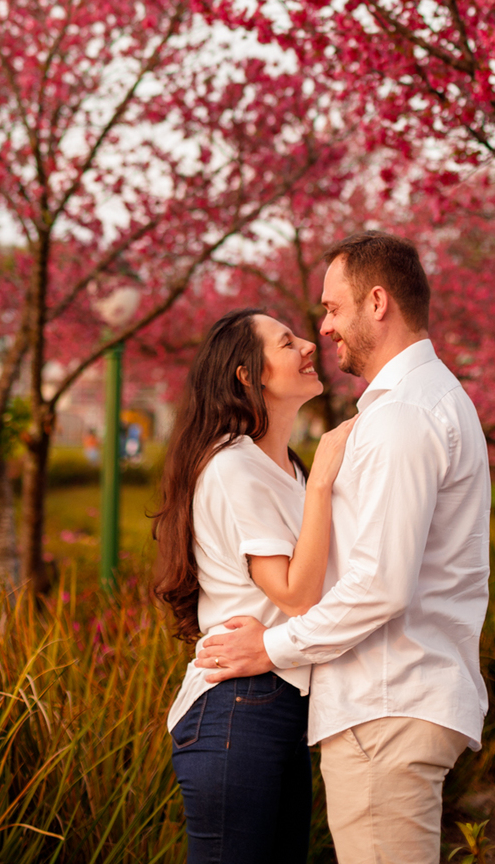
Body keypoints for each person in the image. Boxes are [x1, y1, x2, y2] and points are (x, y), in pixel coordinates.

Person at [202, 232, 491, 864]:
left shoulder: (401, 415)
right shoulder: (424, 400)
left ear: (378, 302)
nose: (323, 329)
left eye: (333, 309)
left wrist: (270, 645)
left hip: (383, 703)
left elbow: (380, 584)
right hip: (398, 698)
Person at [152, 306, 355, 864]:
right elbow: (294, 593)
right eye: (288, 343)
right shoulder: (232, 464)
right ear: (249, 374)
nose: (309, 345)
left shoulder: (288, 467)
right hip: (238, 709)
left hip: (280, 703)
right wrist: (326, 480)